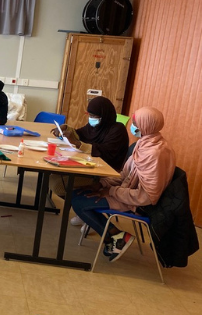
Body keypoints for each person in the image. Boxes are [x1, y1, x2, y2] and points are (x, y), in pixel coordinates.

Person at [71, 106, 176, 262]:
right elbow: (124, 175)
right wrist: (101, 184)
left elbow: (147, 196)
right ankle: (116, 235)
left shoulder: (156, 153)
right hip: (126, 192)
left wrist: (111, 191)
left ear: (146, 125)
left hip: (139, 203)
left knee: (79, 202)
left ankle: (113, 237)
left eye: (136, 123)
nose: (133, 126)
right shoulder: (143, 144)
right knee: (77, 194)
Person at [49, 96, 129, 227]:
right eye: (89, 115)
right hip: (90, 166)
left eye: (94, 116)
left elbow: (105, 152)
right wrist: (66, 129)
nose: (91, 118)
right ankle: (84, 211)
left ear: (104, 115)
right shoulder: (94, 127)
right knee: (52, 178)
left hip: (104, 174)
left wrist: (78, 144)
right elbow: (80, 134)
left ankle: (86, 211)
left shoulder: (117, 130)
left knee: (59, 185)